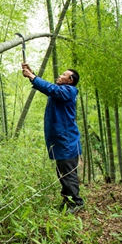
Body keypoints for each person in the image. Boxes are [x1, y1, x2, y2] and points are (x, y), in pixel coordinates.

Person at [22, 63, 84, 214]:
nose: (60, 76)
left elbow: (51, 89)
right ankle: (67, 201)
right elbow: (50, 90)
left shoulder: (69, 91)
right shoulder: (62, 92)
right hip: (61, 141)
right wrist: (32, 74)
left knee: (68, 174)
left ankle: (76, 203)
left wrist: (32, 76)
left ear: (70, 80)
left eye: (63, 74)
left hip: (67, 141)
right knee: (62, 173)